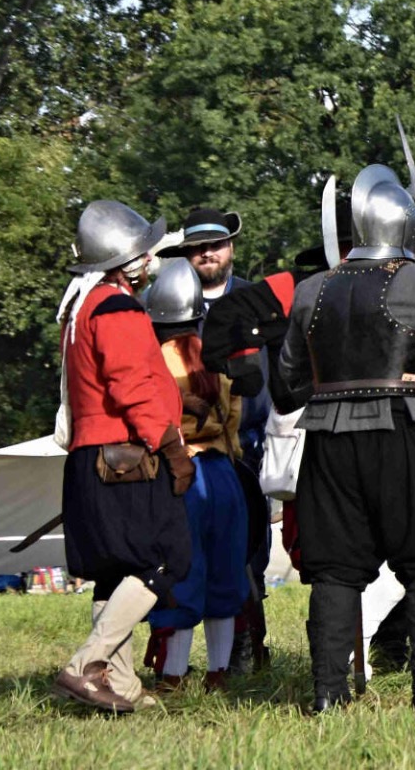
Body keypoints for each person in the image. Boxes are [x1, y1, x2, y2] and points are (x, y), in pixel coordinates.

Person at [273, 165, 415, 712]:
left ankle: (328, 695)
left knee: (334, 571)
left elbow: (285, 387)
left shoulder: (311, 290)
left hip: (330, 441)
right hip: (412, 433)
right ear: (408, 227)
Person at [51, 201, 194, 715]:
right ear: (125, 261)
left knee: (116, 571)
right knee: (166, 557)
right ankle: (87, 664)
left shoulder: (82, 307)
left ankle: (123, 686)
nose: (151, 260)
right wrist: (172, 447)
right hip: (124, 456)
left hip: (93, 456)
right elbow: (131, 386)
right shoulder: (115, 306)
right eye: (144, 253)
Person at [170, 204, 274, 675]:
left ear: (230, 247)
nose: (207, 253)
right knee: (186, 552)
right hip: (186, 449)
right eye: (197, 247)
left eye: (215, 244)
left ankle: (247, 646)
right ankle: (175, 662)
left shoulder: (257, 300)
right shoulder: (168, 304)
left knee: (248, 552)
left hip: (249, 445)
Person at [141, 261, 251, 692]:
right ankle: (218, 674)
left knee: (180, 575)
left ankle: (172, 677)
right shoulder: (216, 356)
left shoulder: (153, 362)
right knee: (225, 575)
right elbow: (234, 420)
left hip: (180, 475)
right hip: (223, 474)